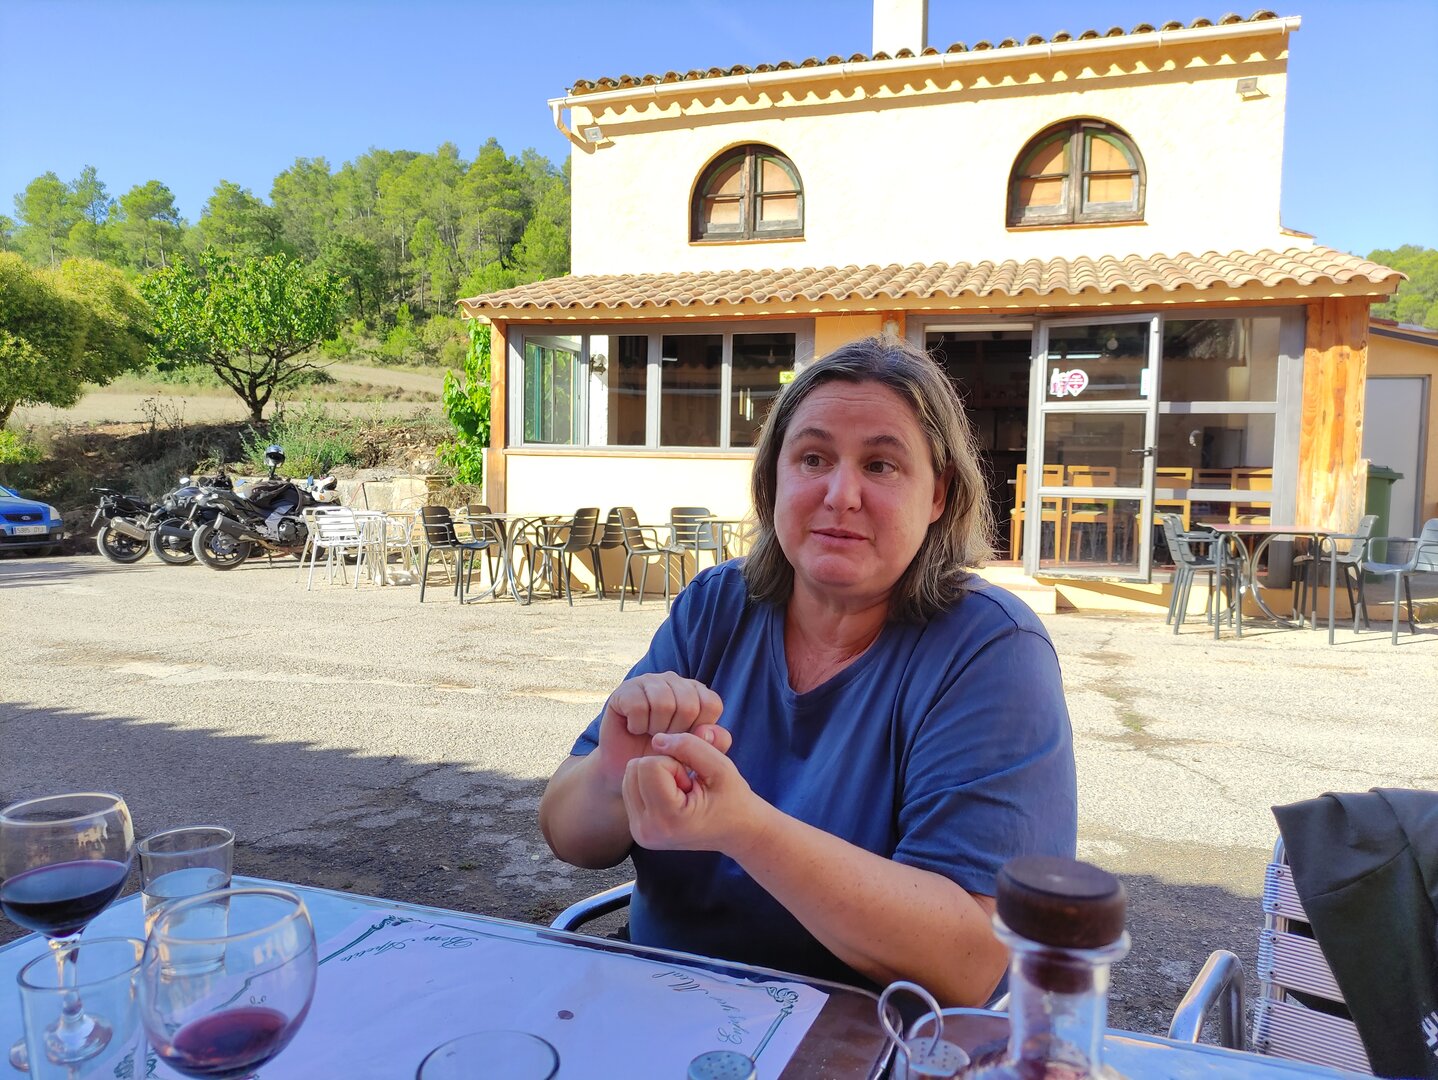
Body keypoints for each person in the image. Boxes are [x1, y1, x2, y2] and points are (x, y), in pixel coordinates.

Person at [538, 335, 1076, 1006]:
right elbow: (568, 834)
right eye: (814, 458)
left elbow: (969, 962)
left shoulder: (991, 649)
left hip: (870, 1043)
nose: (840, 493)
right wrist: (613, 774)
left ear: (937, 494)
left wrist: (744, 827)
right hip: (661, 1010)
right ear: (775, 480)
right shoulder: (716, 606)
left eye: (881, 465)